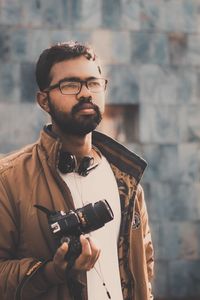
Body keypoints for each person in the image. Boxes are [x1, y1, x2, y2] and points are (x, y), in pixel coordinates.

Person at [0, 41, 154, 300]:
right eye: (70, 85)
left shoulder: (126, 179)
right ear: (43, 100)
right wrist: (51, 272)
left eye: (93, 83)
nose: (85, 93)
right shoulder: (8, 179)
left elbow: (144, 266)